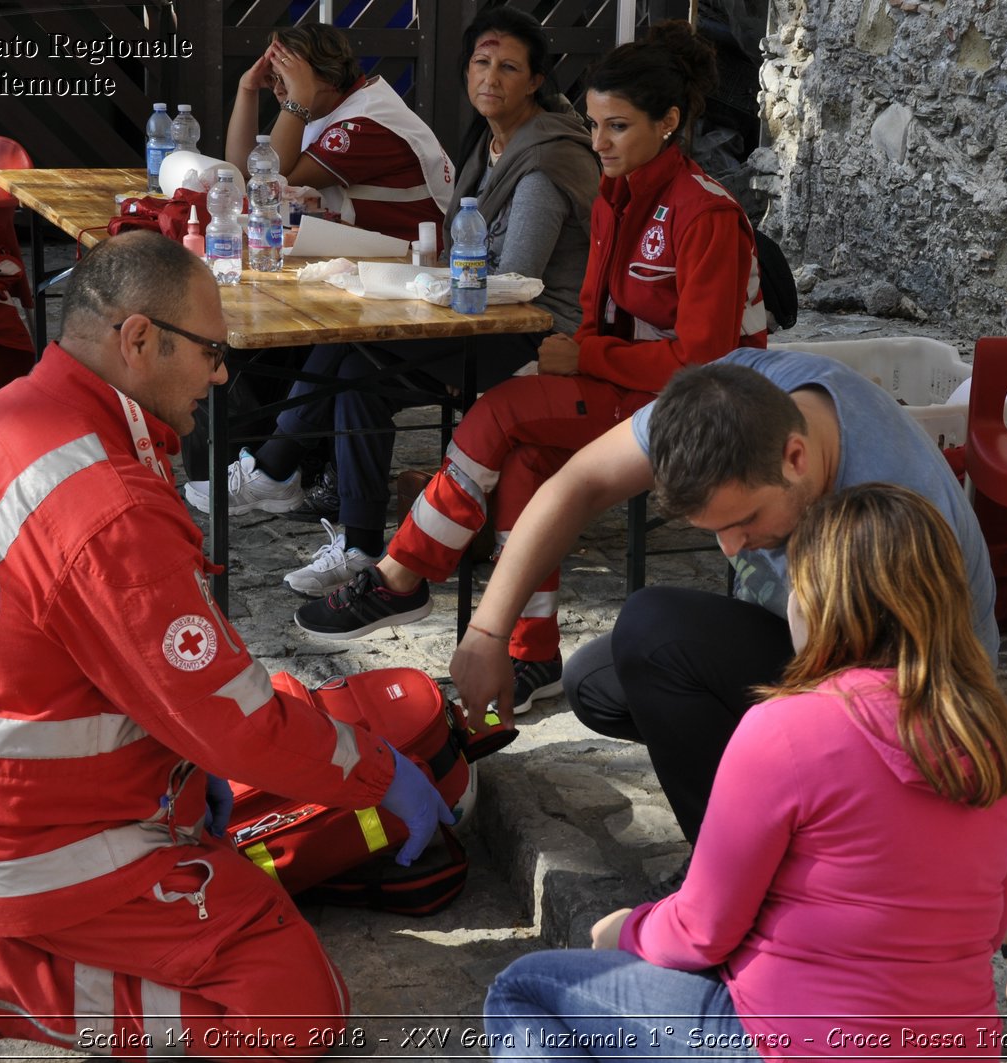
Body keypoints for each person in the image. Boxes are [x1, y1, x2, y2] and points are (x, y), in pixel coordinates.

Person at [448, 350, 1007, 1059]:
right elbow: (984, 745)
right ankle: (761, 852)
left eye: (745, 521)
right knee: (606, 670)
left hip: (782, 1025)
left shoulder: (902, 507)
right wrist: (489, 631)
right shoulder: (735, 400)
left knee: (525, 988)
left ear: (798, 460)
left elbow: (966, 694)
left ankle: (749, 869)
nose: (731, 546)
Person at [0, 231, 451, 1057]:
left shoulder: (0, 421)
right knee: (297, 1009)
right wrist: (375, 775)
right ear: (139, 340)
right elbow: (235, 720)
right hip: (47, 844)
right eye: (211, 350)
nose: (223, 373)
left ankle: (6, 937)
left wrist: (182, 771)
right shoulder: (102, 502)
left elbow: (108, 662)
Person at [293, 21, 768, 718]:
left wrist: (587, 356)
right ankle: (532, 652)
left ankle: (404, 572)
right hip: (629, 389)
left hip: (711, 407)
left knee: (502, 412)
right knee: (522, 460)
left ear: (670, 124)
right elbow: (592, 310)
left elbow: (704, 361)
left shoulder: (706, 213)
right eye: (597, 123)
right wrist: (586, 358)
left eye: (618, 127)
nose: (598, 143)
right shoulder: (616, 190)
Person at [485, 484, 1007, 1059]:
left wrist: (625, 929)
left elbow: (702, 931)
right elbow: (992, 928)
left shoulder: (789, 727)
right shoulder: (992, 734)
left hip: (793, 1044)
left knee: (525, 990)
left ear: (820, 600)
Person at [185, 6, 599, 604]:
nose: (491, 77)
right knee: (353, 356)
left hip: (535, 332)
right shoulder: (495, 143)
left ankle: (282, 476)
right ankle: (343, 533)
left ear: (535, 80)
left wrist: (422, 283)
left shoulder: (544, 160)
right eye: (481, 63)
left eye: (509, 67)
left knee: (361, 361)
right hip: (477, 310)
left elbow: (517, 280)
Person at [224, 22, 451, 242]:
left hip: (417, 260)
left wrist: (299, 97)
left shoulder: (365, 123)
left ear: (329, 78)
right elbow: (245, 171)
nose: (277, 90)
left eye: (287, 79)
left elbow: (270, 183)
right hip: (369, 243)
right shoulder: (337, 106)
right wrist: (248, 89)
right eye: (273, 79)